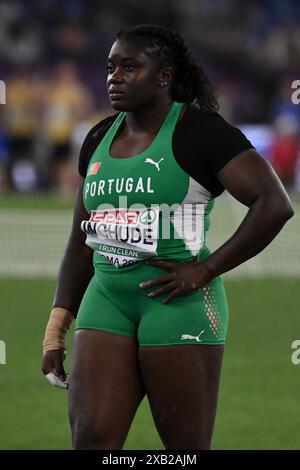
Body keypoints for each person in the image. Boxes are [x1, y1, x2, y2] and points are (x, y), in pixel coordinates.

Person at [41, 24, 294, 450]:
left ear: (163, 76)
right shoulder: (98, 137)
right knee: (92, 441)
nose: (114, 77)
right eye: (110, 67)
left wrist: (206, 269)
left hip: (179, 304)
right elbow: (78, 240)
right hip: (106, 299)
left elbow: (274, 203)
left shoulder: (200, 132)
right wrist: (56, 327)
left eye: (129, 67)